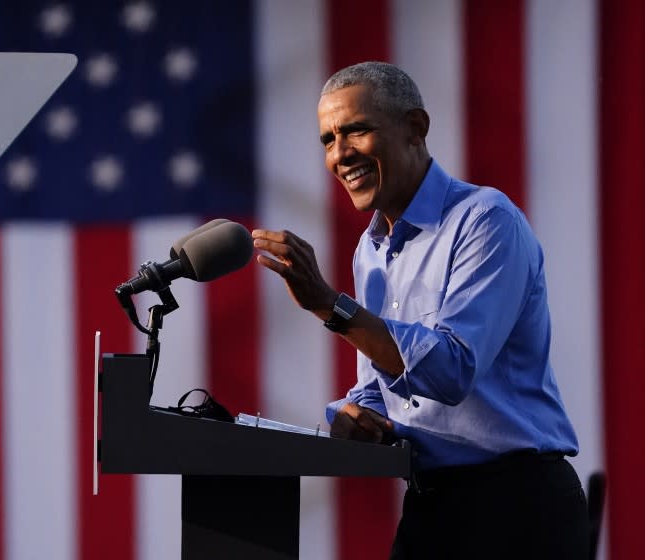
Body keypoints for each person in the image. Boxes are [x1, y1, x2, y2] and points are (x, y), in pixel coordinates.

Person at [252, 61, 589, 559]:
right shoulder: (370, 250)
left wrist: (328, 304)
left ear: (415, 129)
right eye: (327, 139)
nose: (340, 154)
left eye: (356, 131)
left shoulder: (484, 220)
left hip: (515, 509)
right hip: (432, 506)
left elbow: (452, 370)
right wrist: (357, 415)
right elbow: (380, 382)